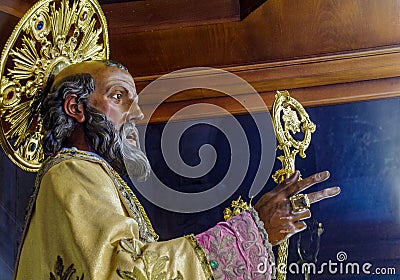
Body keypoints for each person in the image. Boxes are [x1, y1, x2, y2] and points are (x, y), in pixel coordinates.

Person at [14, 59, 340, 279]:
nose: (138, 112)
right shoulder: (71, 171)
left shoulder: (89, 175)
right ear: (75, 107)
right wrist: (250, 235)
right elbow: (126, 272)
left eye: (135, 99)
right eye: (118, 95)